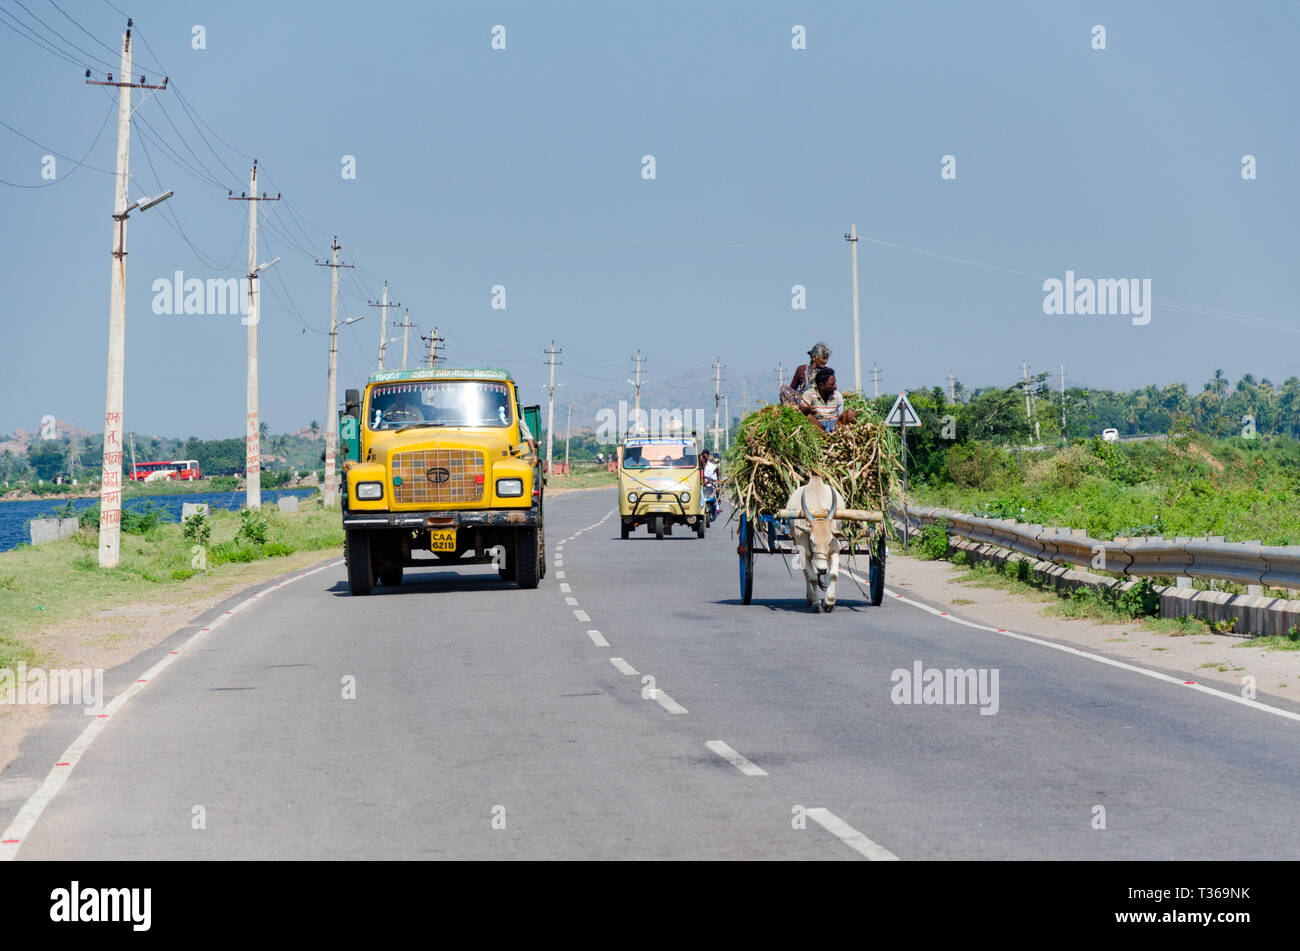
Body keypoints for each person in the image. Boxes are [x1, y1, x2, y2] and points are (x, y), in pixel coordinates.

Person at [798, 367, 858, 432]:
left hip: (835, 425)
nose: (835, 386)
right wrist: (808, 409)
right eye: (832, 384)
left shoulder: (837, 395)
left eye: (835, 383)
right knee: (809, 416)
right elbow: (802, 408)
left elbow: (840, 415)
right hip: (819, 425)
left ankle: (838, 435)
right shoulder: (809, 394)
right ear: (821, 386)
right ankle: (824, 436)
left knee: (851, 413)